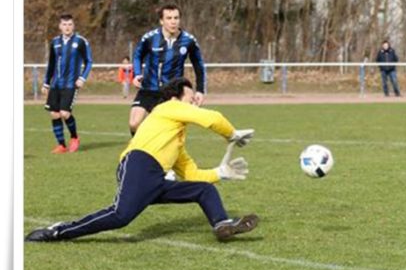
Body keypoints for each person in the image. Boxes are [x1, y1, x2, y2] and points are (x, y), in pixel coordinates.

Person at [25, 78, 258, 243]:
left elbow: (191, 174)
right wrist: (231, 133)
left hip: (153, 177)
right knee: (120, 216)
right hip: (139, 165)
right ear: (175, 98)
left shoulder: (175, 139)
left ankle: (222, 224)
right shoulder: (168, 107)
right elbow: (212, 118)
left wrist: (220, 172)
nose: (195, 102)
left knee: (203, 190)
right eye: (190, 98)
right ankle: (58, 232)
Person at [129, 4, 207, 136]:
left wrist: (200, 90)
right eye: (169, 18)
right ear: (161, 21)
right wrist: (136, 74)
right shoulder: (150, 38)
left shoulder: (188, 40)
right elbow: (137, 56)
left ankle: (150, 150)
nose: (173, 21)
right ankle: (137, 143)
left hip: (171, 93)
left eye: (176, 18)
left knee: (163, 129)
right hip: (148, 89)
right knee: (134, 123)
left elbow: (198, 65)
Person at [43, 14, 93, 154]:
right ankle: (61, 145)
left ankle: (75, 138)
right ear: (60, 26)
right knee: (54, 114)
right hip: (56, 84)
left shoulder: (81, 41)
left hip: (71, 83)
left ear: (73, 26)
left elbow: (89, 61)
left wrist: (82, 78)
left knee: (65, 113)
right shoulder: (55, 42)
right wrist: (46, 83)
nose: (67, 27)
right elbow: (51, 64)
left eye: (70, 24)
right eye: (64, 24)